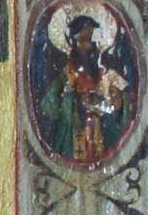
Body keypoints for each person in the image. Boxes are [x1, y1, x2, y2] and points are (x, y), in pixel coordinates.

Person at [39, 13, 128, 163]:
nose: (89, 46)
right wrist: (71, 100)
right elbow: (49, 106)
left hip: (102, 137)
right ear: (72, 43)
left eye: (92, 40)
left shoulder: (107, 75)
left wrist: (117, 102)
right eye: (83, 40)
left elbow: (121, 108)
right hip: (72, 138)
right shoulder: (66, 75)